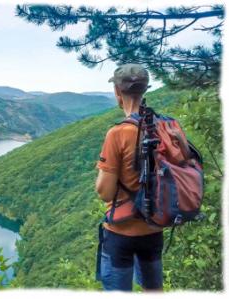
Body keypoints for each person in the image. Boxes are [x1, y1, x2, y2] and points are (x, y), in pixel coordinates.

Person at [95, 64, 163, 291]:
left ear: (117, 92)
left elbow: (104, 191)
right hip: (154, 229)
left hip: (121, 233)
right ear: (145, 90)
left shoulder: (117, 133)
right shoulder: (162, 126)